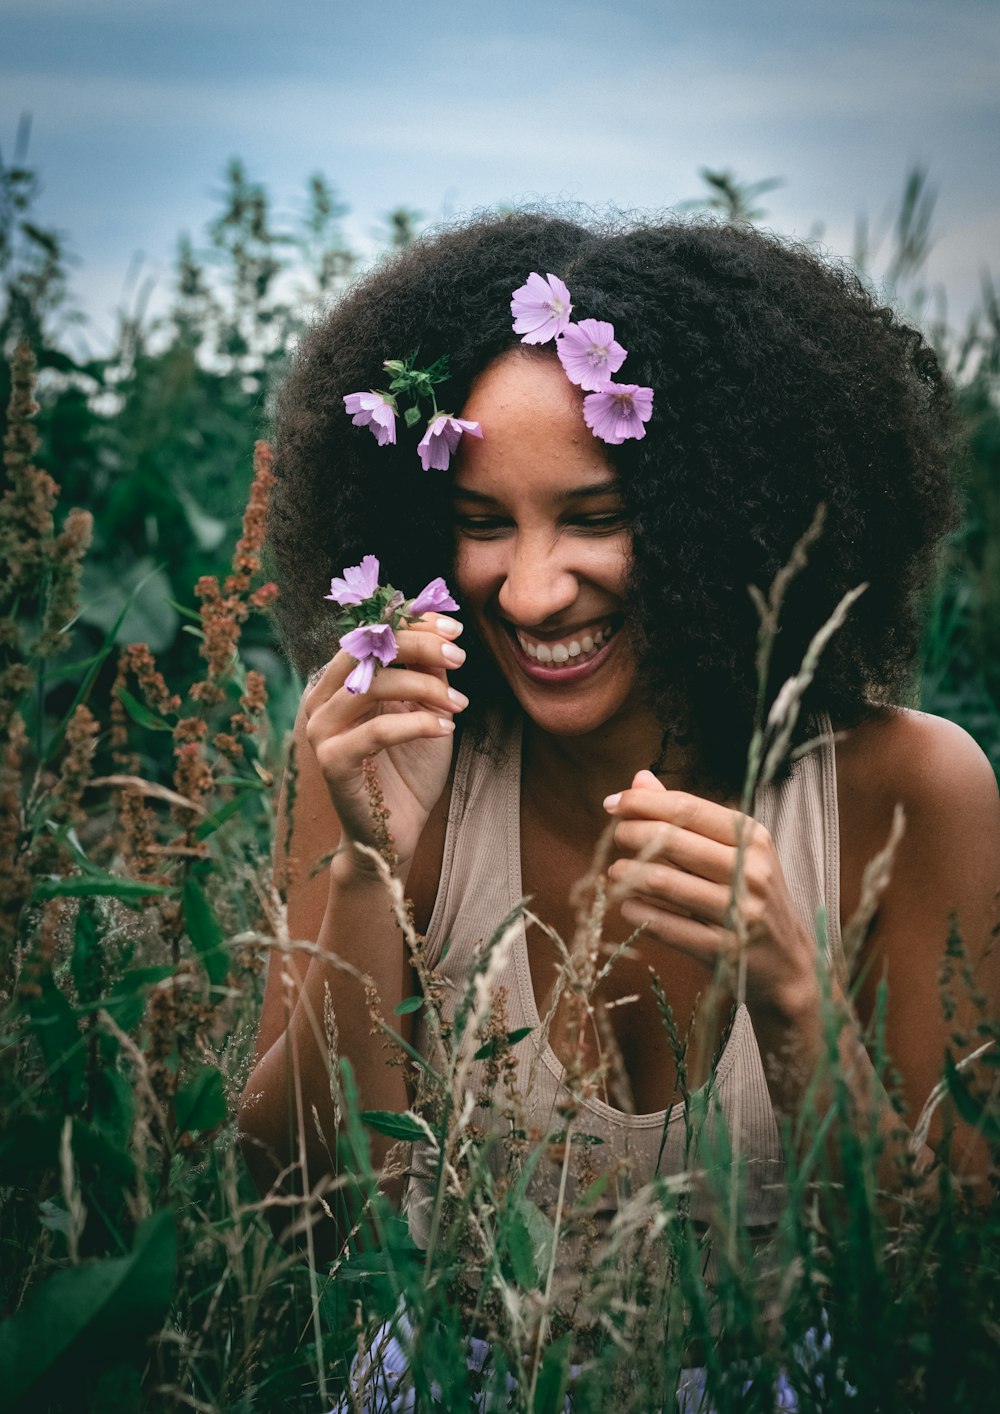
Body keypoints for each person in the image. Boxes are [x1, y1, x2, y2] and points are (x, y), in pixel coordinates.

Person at [238, 213, 999, 1399]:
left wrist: (797, 1004)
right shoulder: (387, 753)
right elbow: (300, 1221)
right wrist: (366, 874)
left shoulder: (908, 792)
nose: (531, 590)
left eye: (595, 517)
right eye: (482, 522)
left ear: (720, 514)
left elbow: (946, 1288)